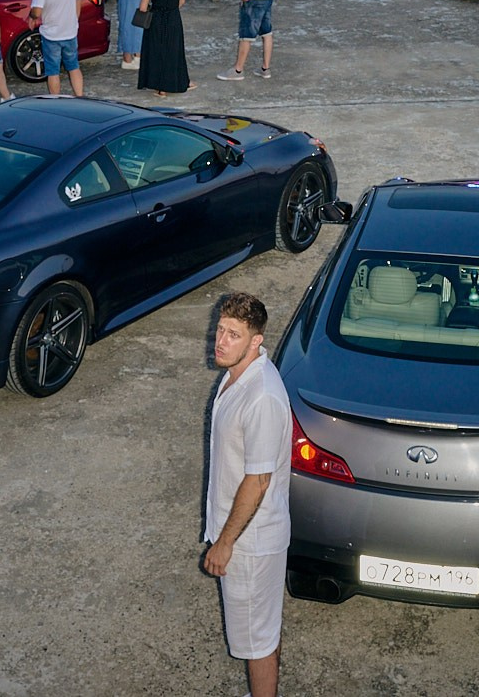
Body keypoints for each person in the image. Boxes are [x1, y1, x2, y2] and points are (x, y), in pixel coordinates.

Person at [200, 292, 291, 697]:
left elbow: (258, 482)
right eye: (220, 330)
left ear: (256, 341)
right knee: (259, 633)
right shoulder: (237, 373)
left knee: (258, 644)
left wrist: (223, 543)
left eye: (233, 335)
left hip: (249, 544)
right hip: (241, 536)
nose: (220, 341)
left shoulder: (263, 397)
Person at [27, 0, 84, 97]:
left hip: (51, 35)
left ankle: (55, 100)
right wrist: (75, 18)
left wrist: (31, 16)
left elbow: (37, 11)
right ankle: (80, 95)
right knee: (74, 67)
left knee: (53, 71)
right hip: (70, 31)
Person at [138, 0, 194, 95]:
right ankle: (178, 82)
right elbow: (181, 2)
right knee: (174, 52)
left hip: (156, 21)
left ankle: (160, 87)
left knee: (157, 52)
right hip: (173, 19)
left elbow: (143, 8)